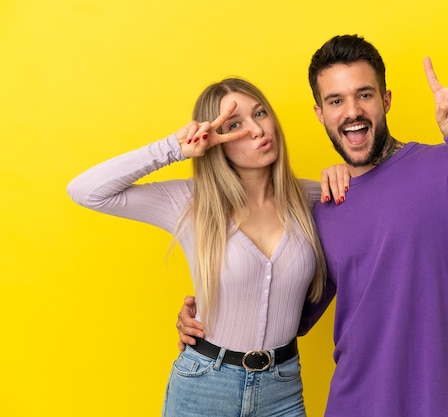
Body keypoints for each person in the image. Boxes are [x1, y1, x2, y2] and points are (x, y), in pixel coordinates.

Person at [177, 35, 448, 417]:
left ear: (386, 100)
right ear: (320, 114)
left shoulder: (445, 166)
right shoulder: (326, 206)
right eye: (336, 101)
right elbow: (288, 316)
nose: (352, 111)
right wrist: (207, 324)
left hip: (442, 404)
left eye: (364, 95)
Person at [67, 77, 348, 417]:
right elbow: (86, 190)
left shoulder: (312, 198)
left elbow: (384, 212)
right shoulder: (190, 202)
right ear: (216, 140)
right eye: (234, 125)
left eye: (260, 113)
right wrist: (176, 146)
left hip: (283, 388)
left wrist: (347, 173)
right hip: (204, 386)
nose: (257, 130)